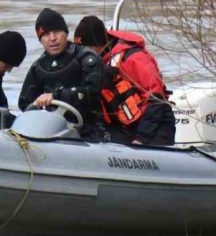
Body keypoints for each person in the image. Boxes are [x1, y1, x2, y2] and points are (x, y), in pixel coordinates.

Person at [73, 15, 176, 146]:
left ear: (99, 45)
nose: (82, 55)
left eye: (86, 50)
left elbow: (156, 100)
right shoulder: (95, 64)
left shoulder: (135, 58)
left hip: (155, 127)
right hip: (125, 126)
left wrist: (140, 140)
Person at [18, 8, 104, 136]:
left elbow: (93, 90)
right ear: (40, 40)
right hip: (49, 130)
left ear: (66, 33)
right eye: (46, 34)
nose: (52, 38)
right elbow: (25, 103)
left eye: (57, 32)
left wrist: (56, 96)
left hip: (90, 129)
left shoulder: (86, 57)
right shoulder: (38, 67)